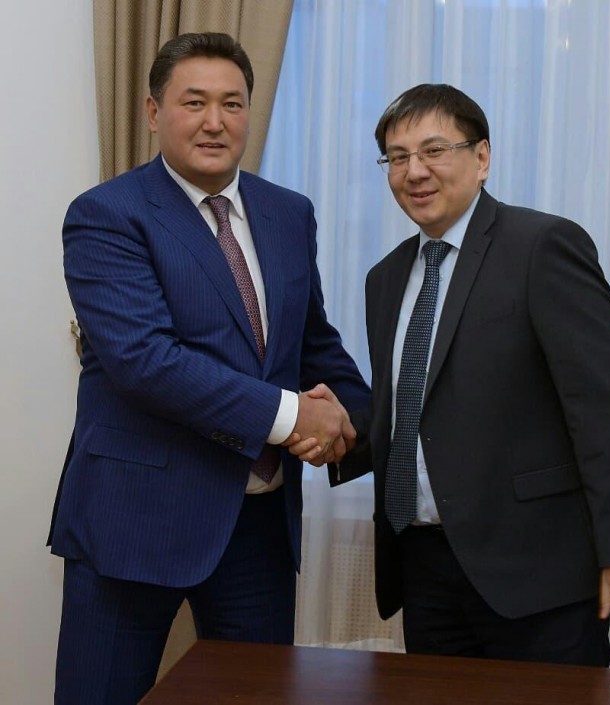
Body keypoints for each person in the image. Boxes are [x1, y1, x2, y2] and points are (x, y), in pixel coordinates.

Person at [294, 83, 610, 666]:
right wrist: (345, 431)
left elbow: (606, 408)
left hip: (536, 571)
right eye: (397, 157)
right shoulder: (385, 278)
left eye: (434, 150)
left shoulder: (542, 246)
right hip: (425, 569)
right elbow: (415, 410)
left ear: (482, 157)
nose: (414, 171)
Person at [48, 32, 369, 704]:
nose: (215, 121)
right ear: (152, 112)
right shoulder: (106, 215)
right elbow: (145, 361)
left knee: (257, 696)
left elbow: (310, 342)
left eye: (232, 103)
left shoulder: (288, 212)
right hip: (134, 519)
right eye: (194, 102)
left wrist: (349, 419)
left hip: (258, 524)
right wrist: (293, 417)